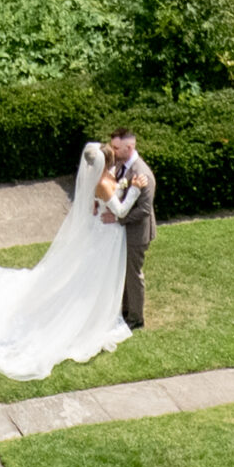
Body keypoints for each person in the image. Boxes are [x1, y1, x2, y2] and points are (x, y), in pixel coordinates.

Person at [0, 136, 135, 381]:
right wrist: (135, 190)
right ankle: (92, 316)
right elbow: (120, 210)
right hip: (105, 236)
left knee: (91, 276)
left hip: (99, 232)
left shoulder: (98, 181)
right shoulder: (103, 184)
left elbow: (98, 203)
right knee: (95, 278)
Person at [99, 128, 156, 329]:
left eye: (116, 148)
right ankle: (124, 309)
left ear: (129, 147)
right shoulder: (121, 166)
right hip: (124, 232)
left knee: (133, 274)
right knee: (123, 272)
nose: (113, 152)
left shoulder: (142, 174)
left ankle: (136, 318)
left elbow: (145, 210)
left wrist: (117, 218)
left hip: (137, 234)